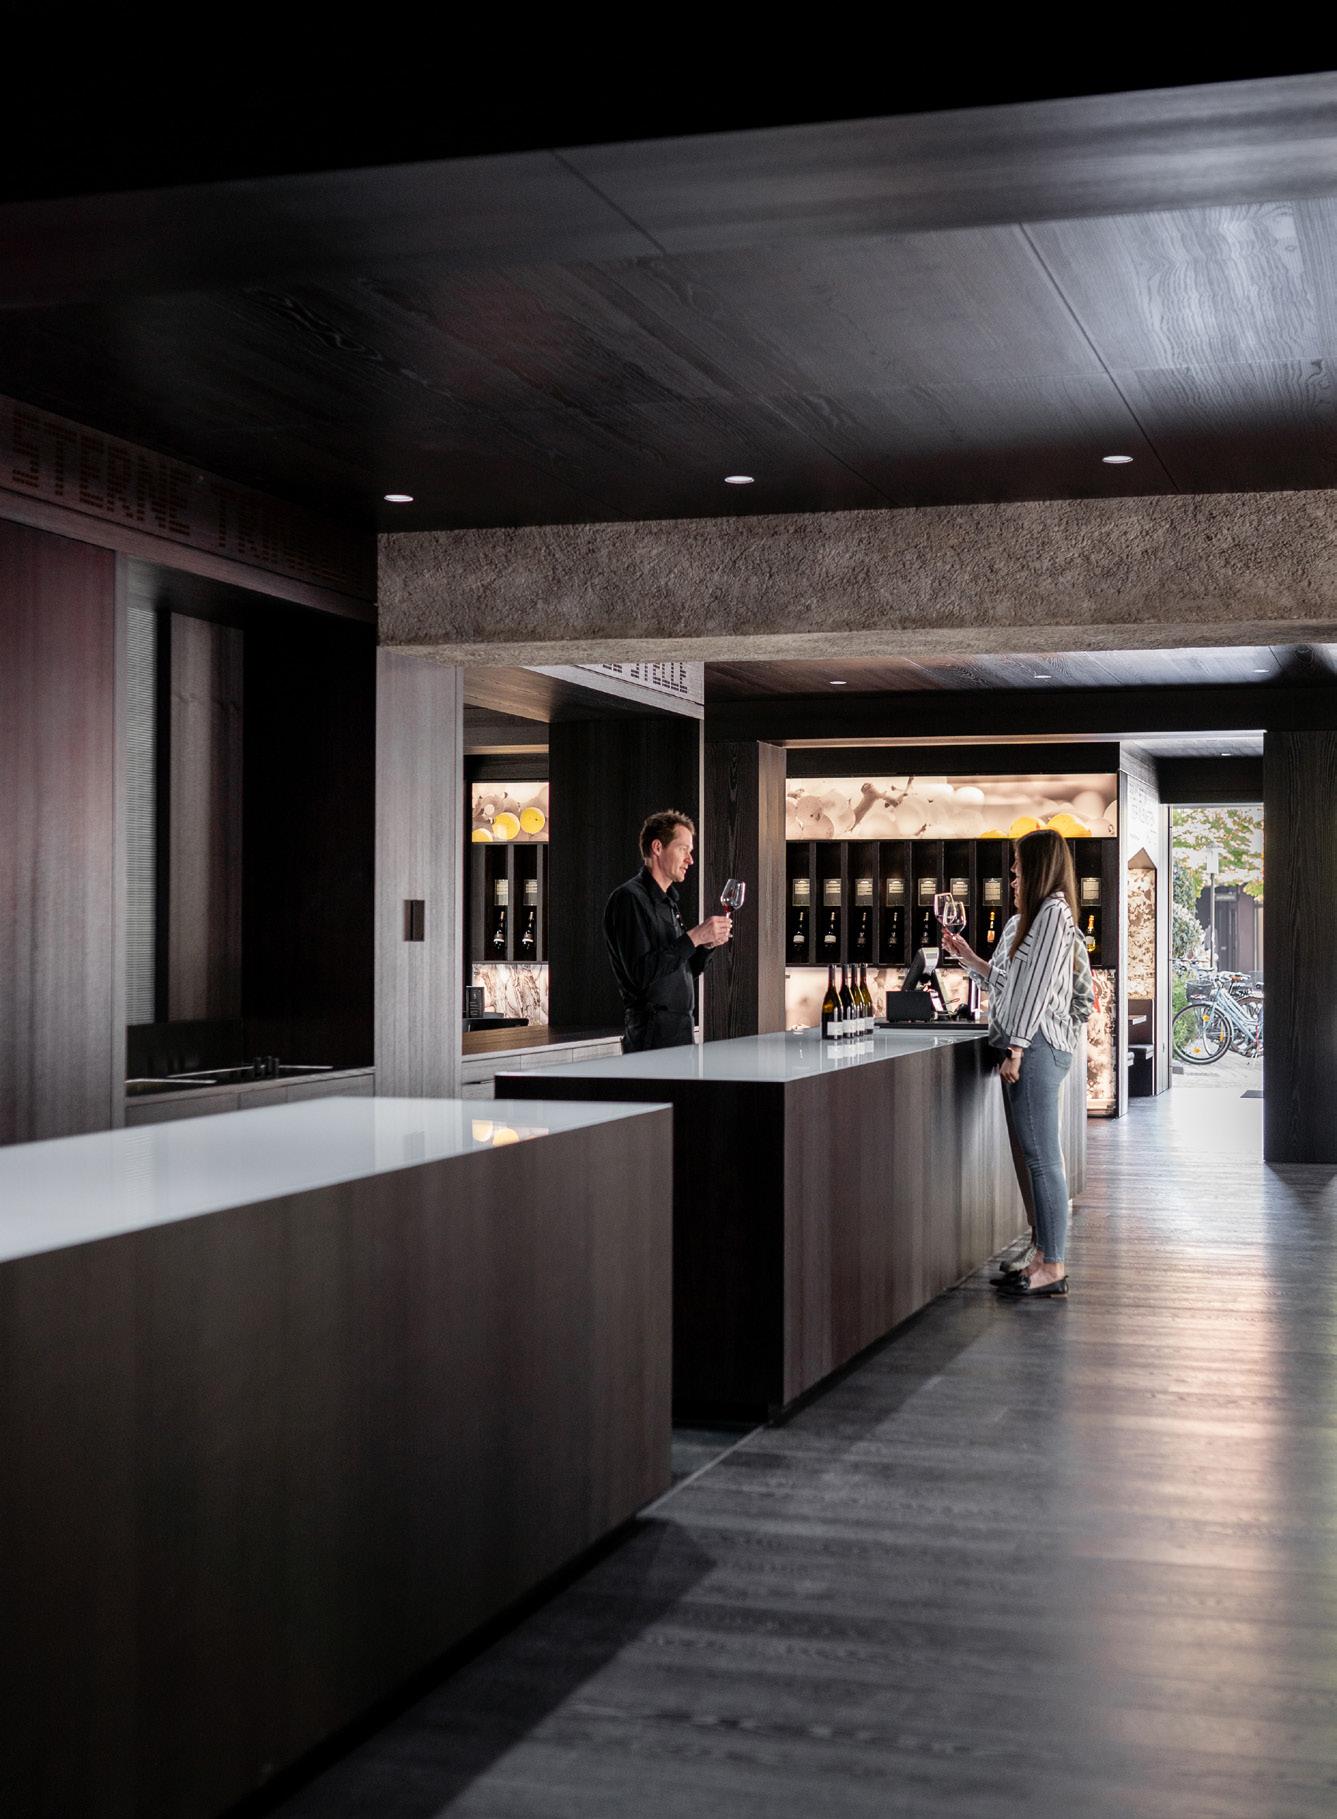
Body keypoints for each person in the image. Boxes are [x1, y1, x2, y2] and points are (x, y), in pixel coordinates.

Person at [941, 829, 1092, 1298]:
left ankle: (1054, 1264)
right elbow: (1015, 984)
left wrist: (1017, 1048)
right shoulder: (1036, 918)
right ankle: (1043, 1255)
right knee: (1036, 1158)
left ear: (1038, 869)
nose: (1011, 876)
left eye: (1018, 867)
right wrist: (971, 960)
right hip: (1033, 1044)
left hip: (1038, 1047)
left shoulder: (1052, 915)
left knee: (1043, 1159)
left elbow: (1037, 990)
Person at [603, 810, 732, 1053]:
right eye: (683, 849)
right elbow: (641, 974)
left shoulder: (668, 901)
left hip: (680, 1033)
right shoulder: (629, 899)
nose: (690, 860)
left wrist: (705, 946)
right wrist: (694, 937)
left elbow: (681, 969)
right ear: (657, 848)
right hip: (650, 1037)